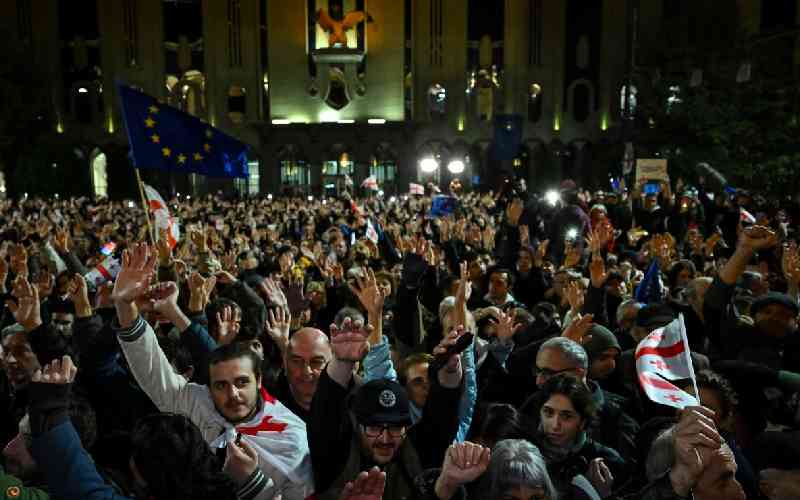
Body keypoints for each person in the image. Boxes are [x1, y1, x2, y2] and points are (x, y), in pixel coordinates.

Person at [110, 244, 314, 499]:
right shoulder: (196, 402)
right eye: (220, 385)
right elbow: (150, 364)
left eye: (241, 382)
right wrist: (124, 304)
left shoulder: (293, 437)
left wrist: (256, 486)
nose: (233, 394)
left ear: (258, 380)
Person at [308, 316, 464, 499]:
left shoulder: (414, 453)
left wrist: (449, 371)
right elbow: (326, 411)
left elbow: (442, 414)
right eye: (374, 427)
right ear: (358, 426)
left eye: (395, 427)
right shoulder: (337, 455)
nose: (385, 438)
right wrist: (342, 363)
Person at [528, 375, 626, 498]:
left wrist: (603, 496)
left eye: (566, 416)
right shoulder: (527, 453)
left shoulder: (608, 461)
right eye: (548, 412)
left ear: (583, 421)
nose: (555, 425)